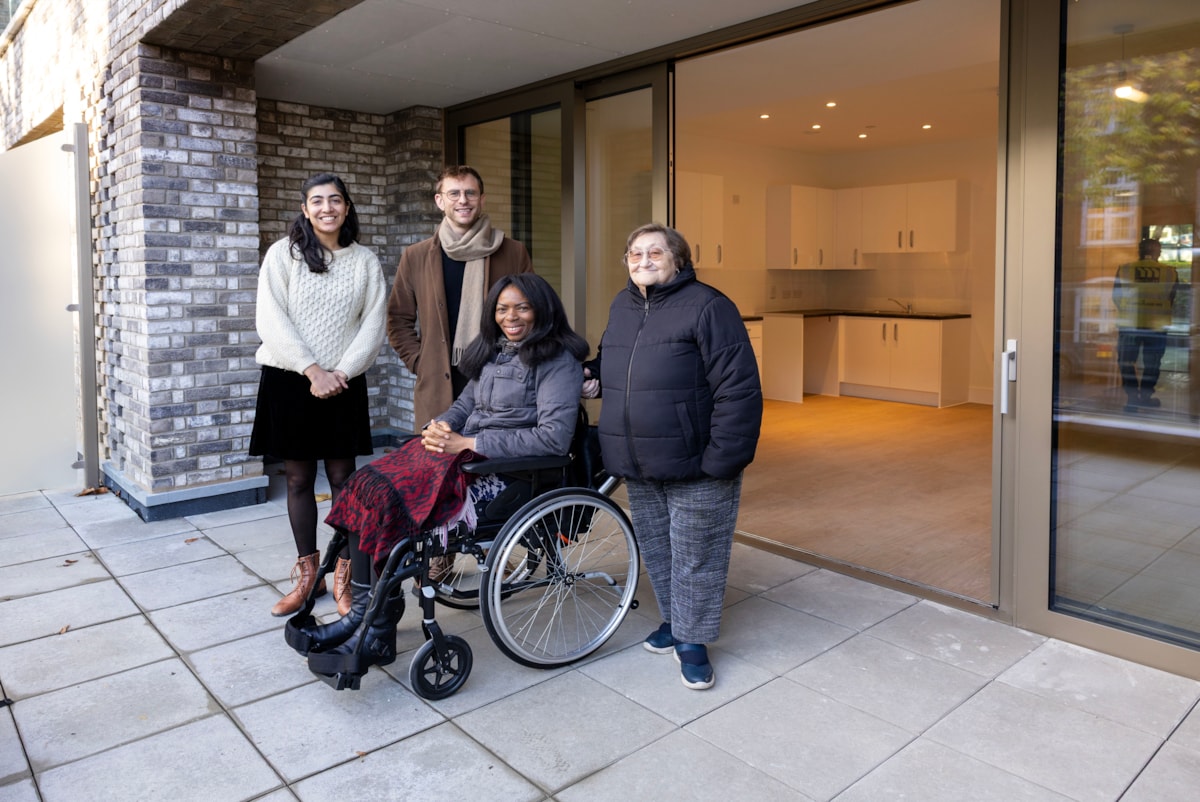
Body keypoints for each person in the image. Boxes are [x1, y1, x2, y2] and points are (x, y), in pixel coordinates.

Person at [294, 273, 588, 674]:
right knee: (367, 488)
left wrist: (468, 444)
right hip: (463, 457)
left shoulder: (558, 361)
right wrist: (441, 426)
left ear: (542, 309)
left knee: (391, 506)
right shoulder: (493, 352)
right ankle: (363, 617)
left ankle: (375, 628)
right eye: (502, 308)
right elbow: (464, 407)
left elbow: (553, 439)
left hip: (512, 471)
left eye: (522, 307)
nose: (511, 317)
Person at [583, 223, 761, 690]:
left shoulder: (709, 306)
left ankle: (693, 641)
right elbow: (611, 363)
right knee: (660, 550)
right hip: (638, 459)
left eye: (654, 252)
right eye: (635, 253)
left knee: (696, 556)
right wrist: (589, 378)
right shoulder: (622, 305)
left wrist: (724, 458)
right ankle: (676, 622)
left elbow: (738, 390)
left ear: (678, 260)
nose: (643, 260)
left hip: (697, 458)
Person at [249, 173, 387, 618]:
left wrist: (340, 372)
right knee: (297, 480)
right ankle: (310, 578)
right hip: (291, 380)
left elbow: (374, 324)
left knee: (346, 481)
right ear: (305, 209)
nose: (327, 208)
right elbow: (271, 318)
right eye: (317, 201)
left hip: (343, 383)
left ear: (347, 207)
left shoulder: (365, 260)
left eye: (335, 200)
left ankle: (345, 572)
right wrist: (311, 369)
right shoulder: (283, 255)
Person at [387, 165, 534, 430]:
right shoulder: (416, 256)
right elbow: (398, 318)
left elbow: (533, 312)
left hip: (499, 378)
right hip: (438, 385)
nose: (463, 201)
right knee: (438, 463)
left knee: (492, 460)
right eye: (453, 194)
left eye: (470, 193)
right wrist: (419, 362)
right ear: (439, 201)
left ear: (482, 199)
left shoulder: (512, 252)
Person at [1113, 238, 1178, 412]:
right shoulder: (1170, 272)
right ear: (1158, 253)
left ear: (1139, 252)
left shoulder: (1125, 269)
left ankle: (1133, 399)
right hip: (1156, 327)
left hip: (1130, 325)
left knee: (1127, 362)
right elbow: (1171, 299)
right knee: (1152, 363)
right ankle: (1145, 397)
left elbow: (1116, 297)